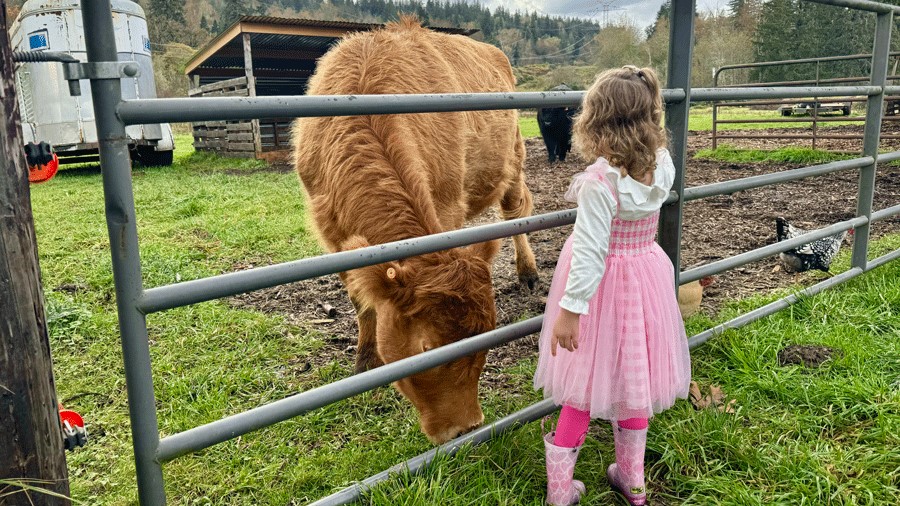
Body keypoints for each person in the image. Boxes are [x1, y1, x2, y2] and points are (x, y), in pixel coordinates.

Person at [533, 65, 691, 506]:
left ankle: (561, 492)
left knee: (584, 383)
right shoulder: (662, 164)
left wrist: (570, 310)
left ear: (596, 120)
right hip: (646, 277)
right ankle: (632, 481)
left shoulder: (600, 183)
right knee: (634, 381)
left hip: (601, 291)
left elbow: (588, 252)